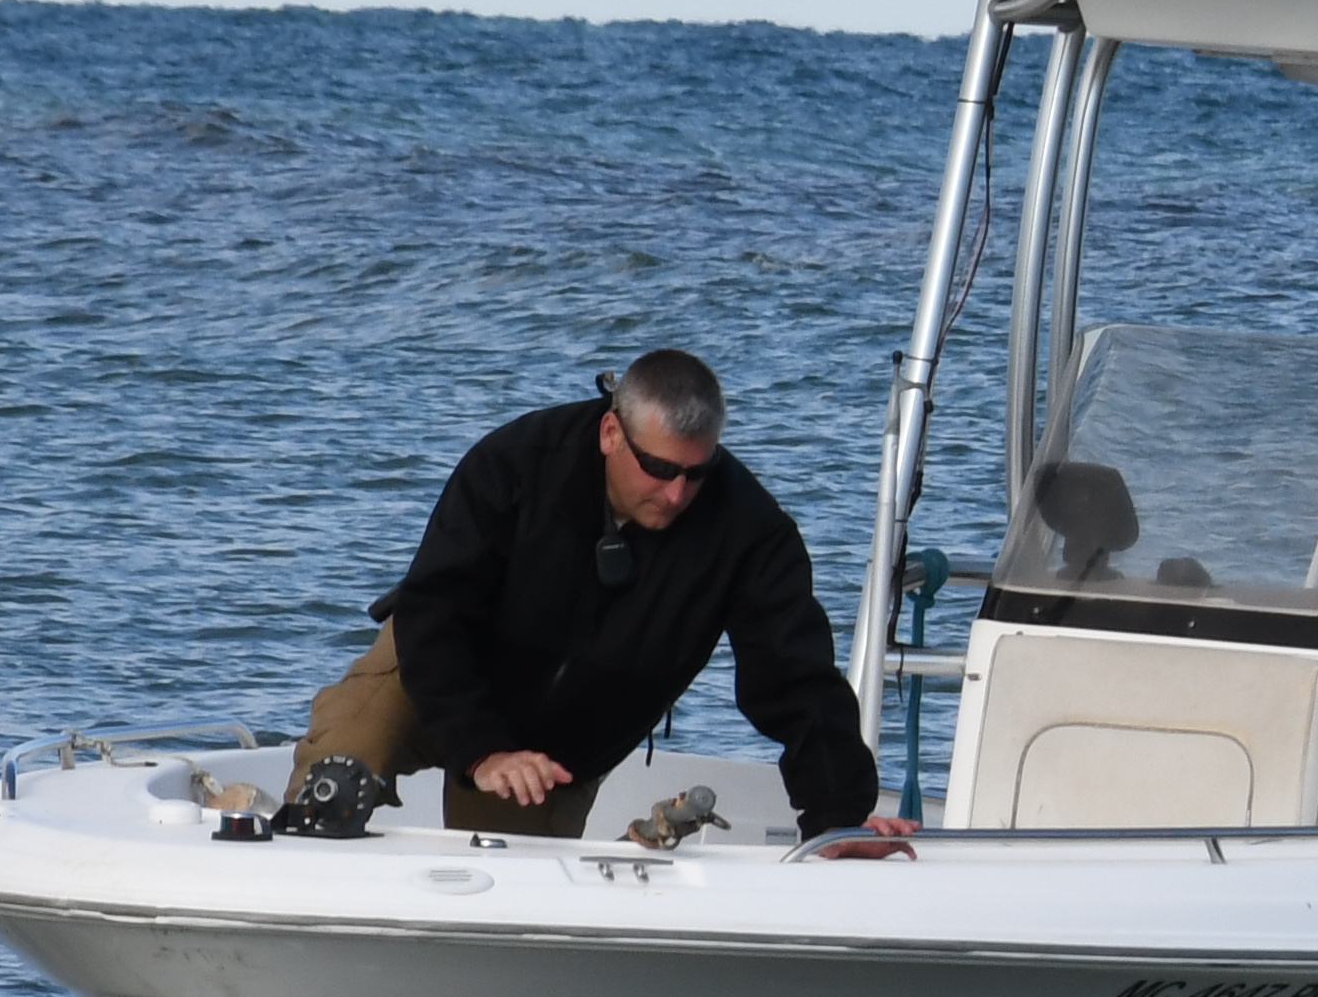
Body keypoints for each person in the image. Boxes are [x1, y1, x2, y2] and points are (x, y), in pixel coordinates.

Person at [281, 350, 887, 842]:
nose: (677, 495)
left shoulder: (749, 532)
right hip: (435, 672)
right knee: (337, 774)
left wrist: (840, 818)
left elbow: (796, 679)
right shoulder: (516, 462)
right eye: (658, 468)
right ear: (609, 433)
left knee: (520, 897)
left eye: (695, 473)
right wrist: (485, 749)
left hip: (561, 746)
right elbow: (436, 610)